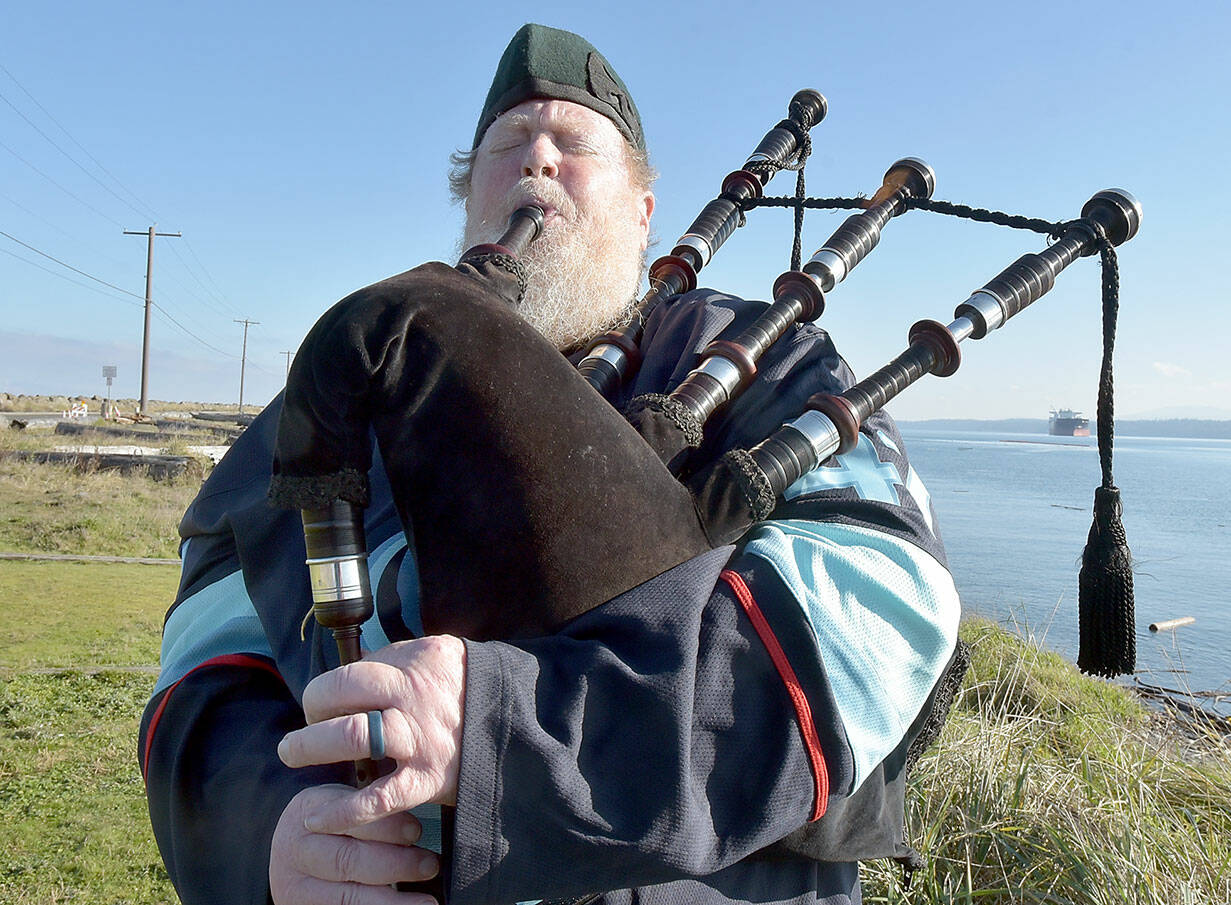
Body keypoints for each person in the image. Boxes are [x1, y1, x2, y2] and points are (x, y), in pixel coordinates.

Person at [139, 23, 962, 905]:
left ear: (644, 212)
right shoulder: (347, 380)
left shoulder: (768, 363)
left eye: (574, 143)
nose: (538, 159)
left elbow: (881, 605)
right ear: (468, 200)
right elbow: (205, 667)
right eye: (508, 145)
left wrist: (503, 731)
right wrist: (269, 830)